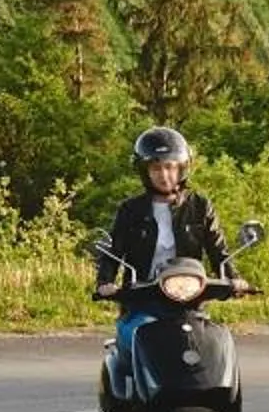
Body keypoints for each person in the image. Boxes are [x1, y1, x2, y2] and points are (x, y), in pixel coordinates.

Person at [98, 124, 233, 293]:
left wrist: (233, 279)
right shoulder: (131, 209)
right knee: (129, 321)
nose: (164, 175)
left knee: (203, 321)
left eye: (170, 167)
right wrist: (105, 282)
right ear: (145, 171)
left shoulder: (200, 206)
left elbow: (218, 251)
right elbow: (114, 251)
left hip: (187, 295)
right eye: (156, 168)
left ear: (181, 168)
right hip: (140, 296)